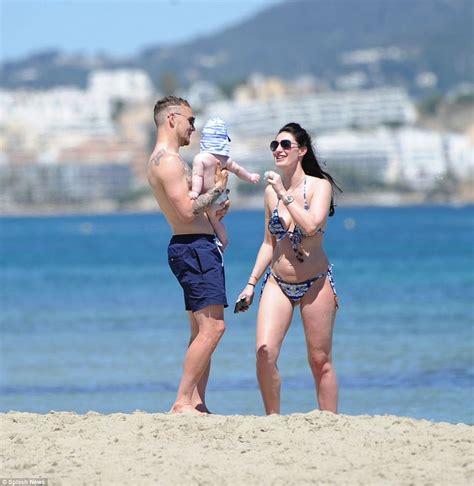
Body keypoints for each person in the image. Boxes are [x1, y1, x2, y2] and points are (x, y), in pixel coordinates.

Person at [237, 122, 341, 415]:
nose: (278, 150)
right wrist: (250, 284)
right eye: (275, 145)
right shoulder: (270, 193)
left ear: (302, 151)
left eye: (285, 145)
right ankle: (273, 421)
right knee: (264, 352)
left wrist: (284, 194)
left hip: (316, 282)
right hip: (278, 282)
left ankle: (330, 423)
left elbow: (310, 225)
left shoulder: (319, 187)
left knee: (320, 360)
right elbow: (269, 243)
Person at [147, 96, 230, 415]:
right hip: (194, 247)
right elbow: (185, 210)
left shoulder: (162, 159)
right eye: (191, 121)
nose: (194, 128)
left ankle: (196, 401)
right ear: (171, 119)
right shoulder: (167, 161)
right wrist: (217, 190)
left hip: (192, 244)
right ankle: (183, 400)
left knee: (201, 330)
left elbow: (190, 209)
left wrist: (213, 211)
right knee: (213, 329)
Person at [188, 117, 261, 250]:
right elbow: (238, 170)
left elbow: (197, 176)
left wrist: (195, 192)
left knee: (211, 219)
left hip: (207, 195)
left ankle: (222, 241)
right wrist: (250, 177)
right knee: (215, 221)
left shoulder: (200, 158)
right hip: (221, 197)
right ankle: (223, 240)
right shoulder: (225, 159)